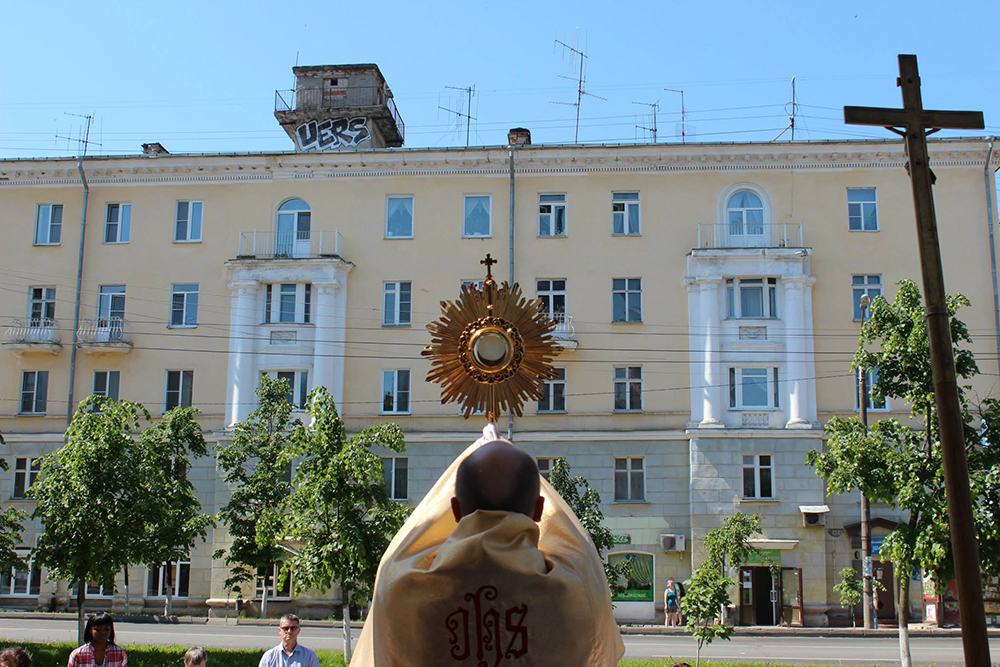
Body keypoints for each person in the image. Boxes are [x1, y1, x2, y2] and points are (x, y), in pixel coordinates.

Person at [352, 426, 624, 666]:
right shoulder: (576, 589)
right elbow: (576, 542)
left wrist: (472, 456)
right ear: (540, 509)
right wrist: (505, 448)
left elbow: (404, 544)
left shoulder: (402, 588)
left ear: (455, 510)